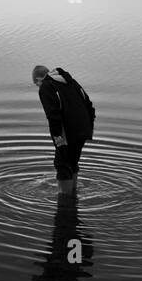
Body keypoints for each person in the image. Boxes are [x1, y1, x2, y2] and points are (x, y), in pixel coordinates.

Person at [32, 64, 95, 195]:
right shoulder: (70, 81)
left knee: (62, 164)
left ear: (38, 79)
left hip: (68, 132)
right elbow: (89, 105)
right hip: (84, 129)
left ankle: (65, 200)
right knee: (72, 162)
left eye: (36, 84)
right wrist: (89, 127)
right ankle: (73, 194)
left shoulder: (46, 86)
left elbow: (53, 114)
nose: (38, 87)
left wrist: (57, 136)